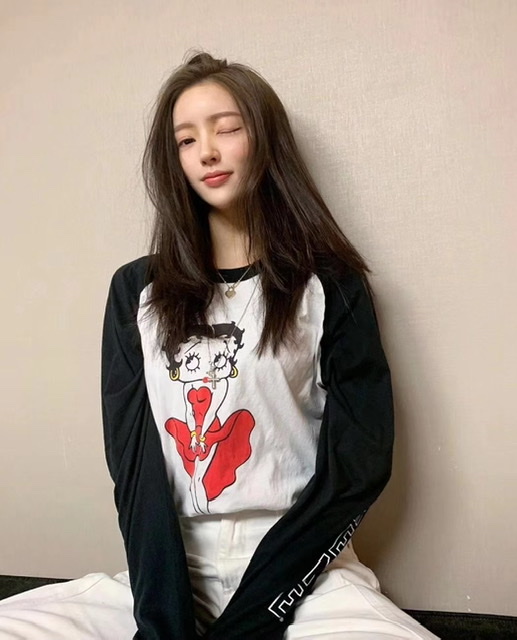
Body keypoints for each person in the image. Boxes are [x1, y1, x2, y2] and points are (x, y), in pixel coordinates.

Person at [101, 52, 439, 640]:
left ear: (265, 139)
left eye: (227, 129)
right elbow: (133, 469)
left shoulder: (330, 285)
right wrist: (162, 625)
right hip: (171, 568)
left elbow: (359, 465)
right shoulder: (136, 290)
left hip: (303, 569)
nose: (206, 151)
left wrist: (254, 621)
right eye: (186, 140)